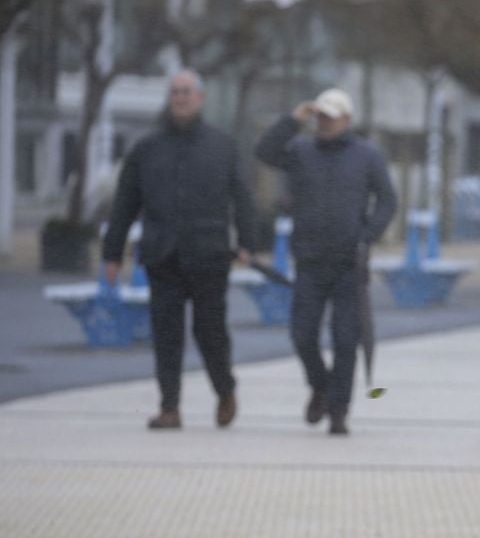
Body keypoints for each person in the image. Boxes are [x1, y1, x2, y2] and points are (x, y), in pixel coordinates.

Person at [103, 69, 257, 431]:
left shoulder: (222, 145)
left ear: (200, 98)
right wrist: (112, 253)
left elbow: (243, 197)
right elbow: (124, 203)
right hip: (162, 255)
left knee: (210, 332)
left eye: (187, 92)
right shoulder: (146, 148)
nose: (181, 98)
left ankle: (225, 389)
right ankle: (169, 407)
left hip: (209, 255)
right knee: (166, 335)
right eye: (175, 92)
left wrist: (248, 243)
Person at [255, 88, 397, 436]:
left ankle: (339, 410)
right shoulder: (301, 151)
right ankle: (320, 386)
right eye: (320, 116)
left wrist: (367, 236)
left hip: (349, 262)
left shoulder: (366, 155)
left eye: (331, 117)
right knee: (302, 335)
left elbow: (387, 201)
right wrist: (293, 120)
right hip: (310, 259)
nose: (324, 122)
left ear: (347, 120)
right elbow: (265, 152)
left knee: (346, 339)